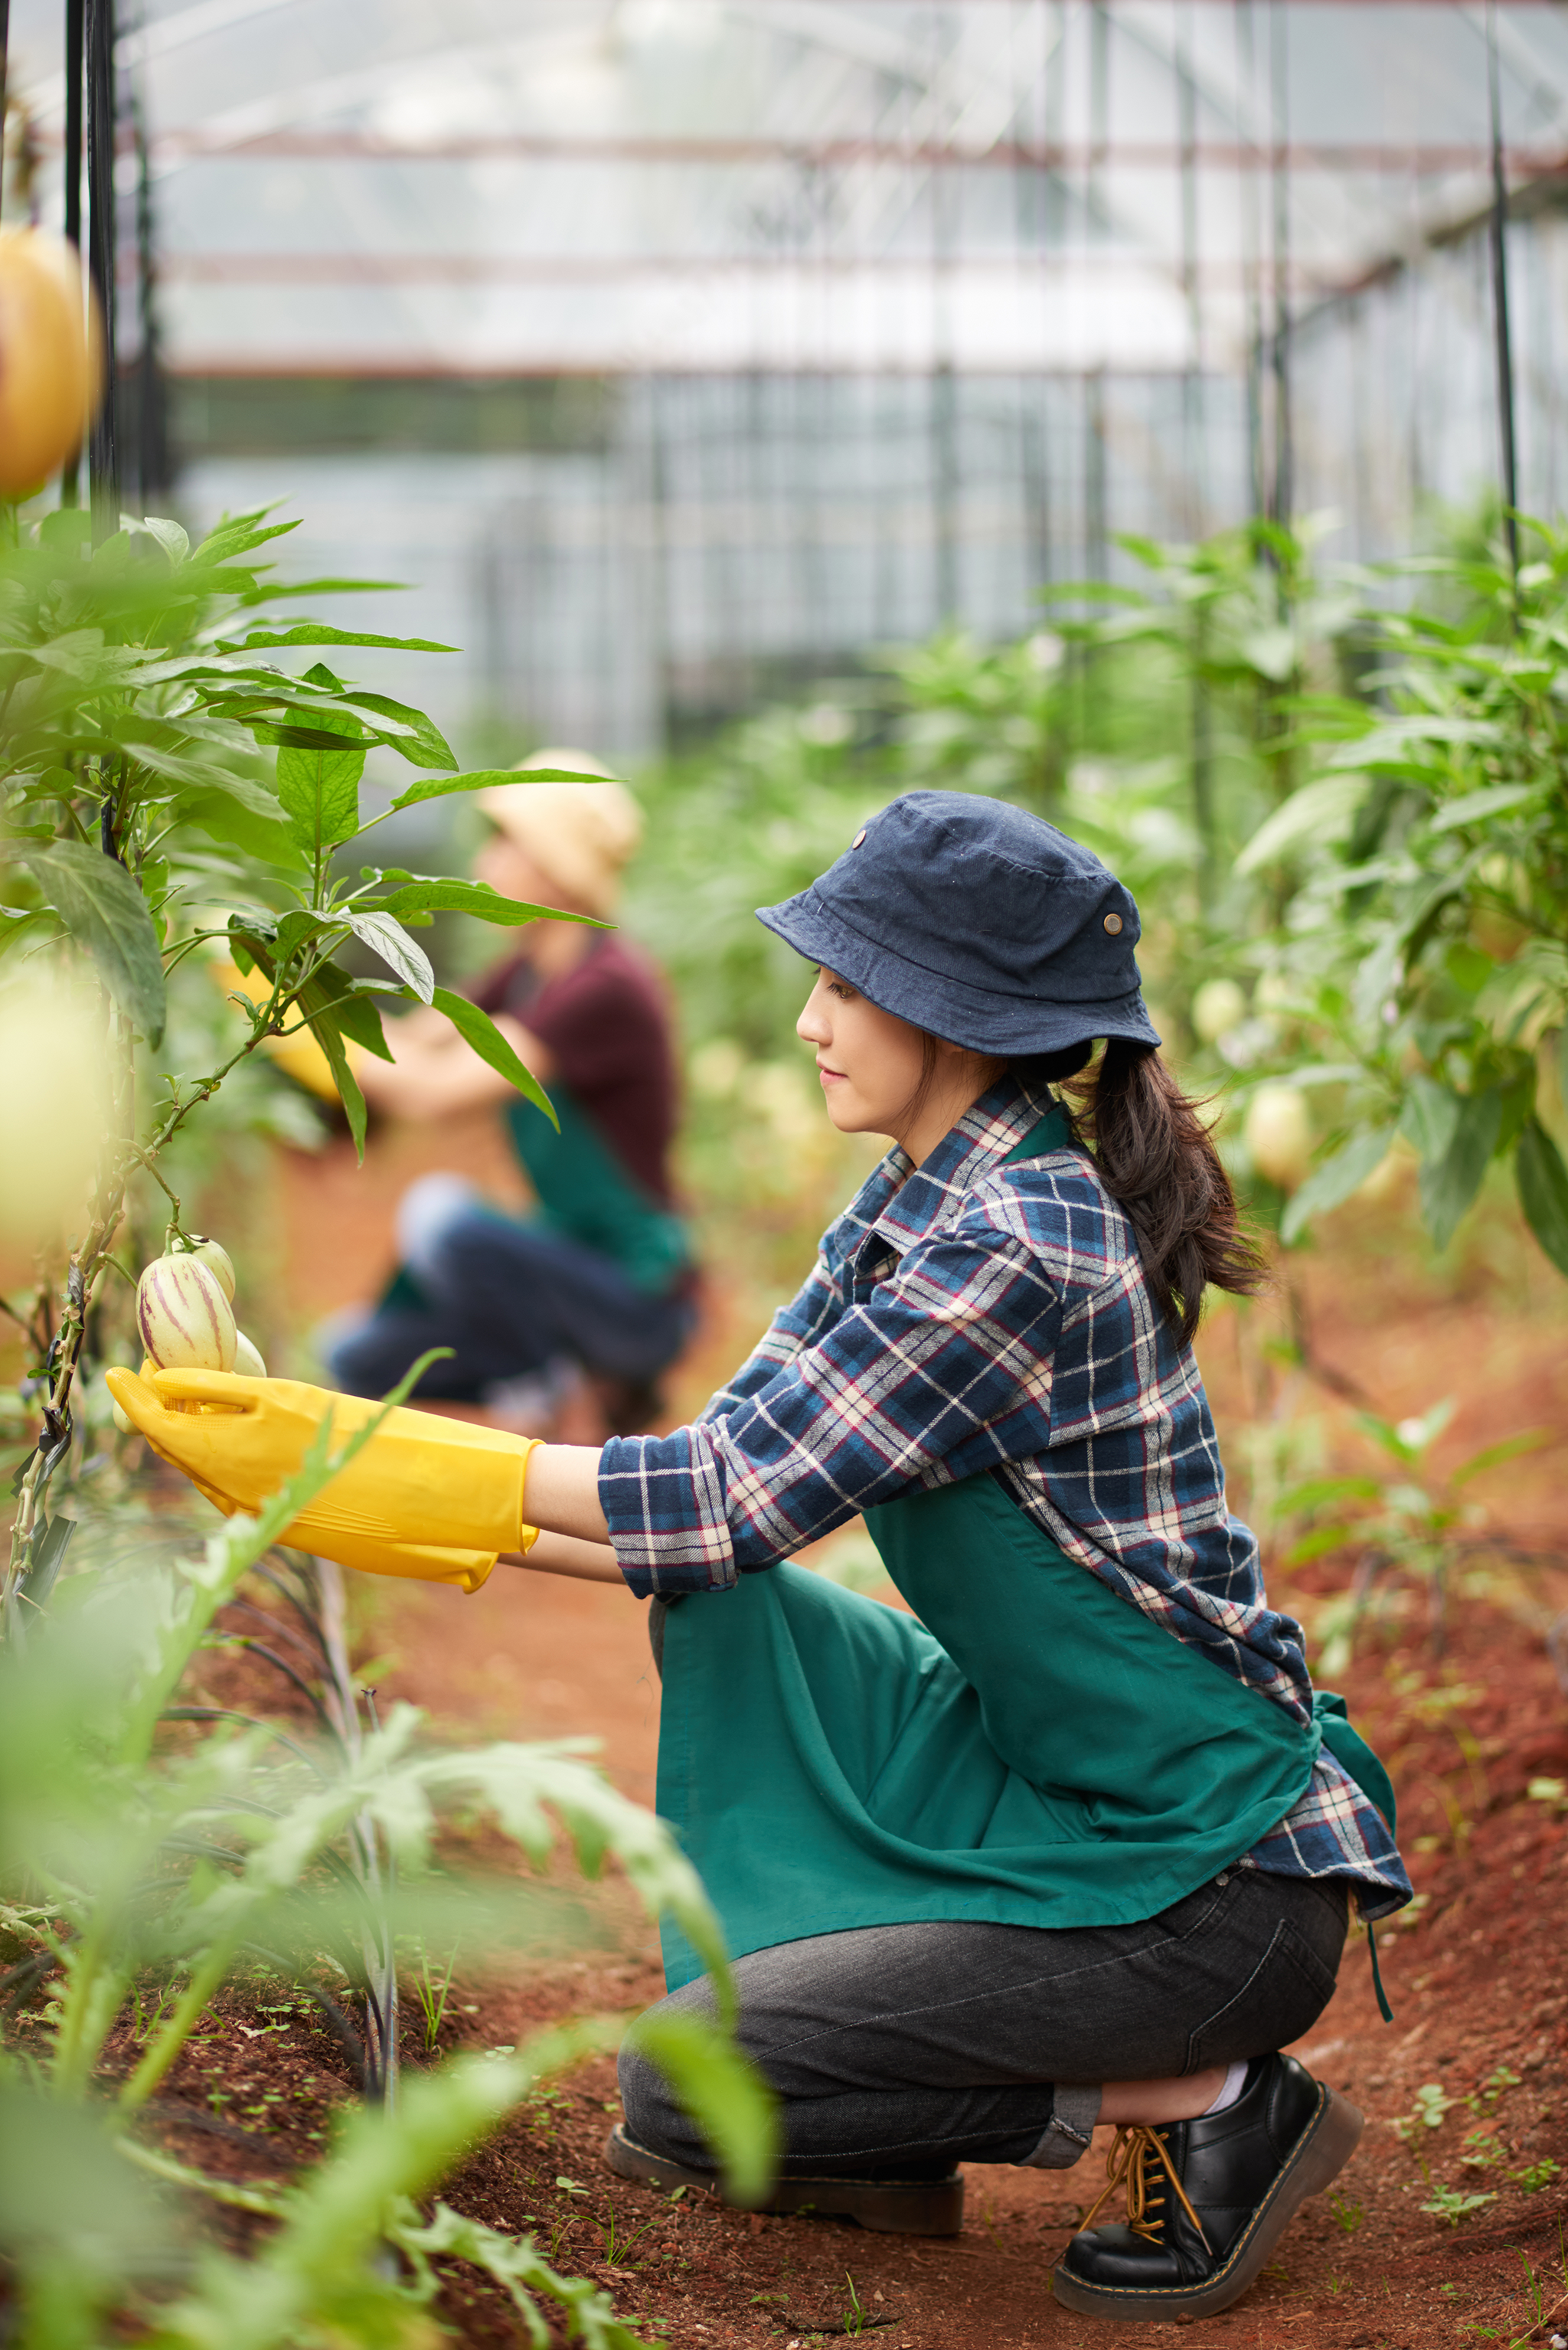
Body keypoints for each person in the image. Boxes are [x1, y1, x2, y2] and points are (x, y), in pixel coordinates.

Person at [112, 791, 1410, 2325]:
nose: (808, 1017)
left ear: (959, 1013)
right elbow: (698, 1509)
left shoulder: (1010, 1244)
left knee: (699, 2080)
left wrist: (362, 1448)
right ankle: (915, 2097)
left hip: (1208, 1877)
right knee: (709, 2018)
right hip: (1070, 1780)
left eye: (847, 982)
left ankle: (1208, 2095)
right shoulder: (921, 1199)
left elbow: (714, 1493)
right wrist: (362, 1500)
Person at [328, 757, 695, 1434]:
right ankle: (551, 1381)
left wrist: (298, 1041)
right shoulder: (528, 973)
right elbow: (413, 1043)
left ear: (555, 865)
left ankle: (556, 1393)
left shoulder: (605, 988)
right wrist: (304, 1010)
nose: (486, 856)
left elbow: (430, 1095)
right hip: (562, 1274)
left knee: (439, 1215)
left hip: (632, 1295)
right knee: (352, 1354)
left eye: (506, 839)